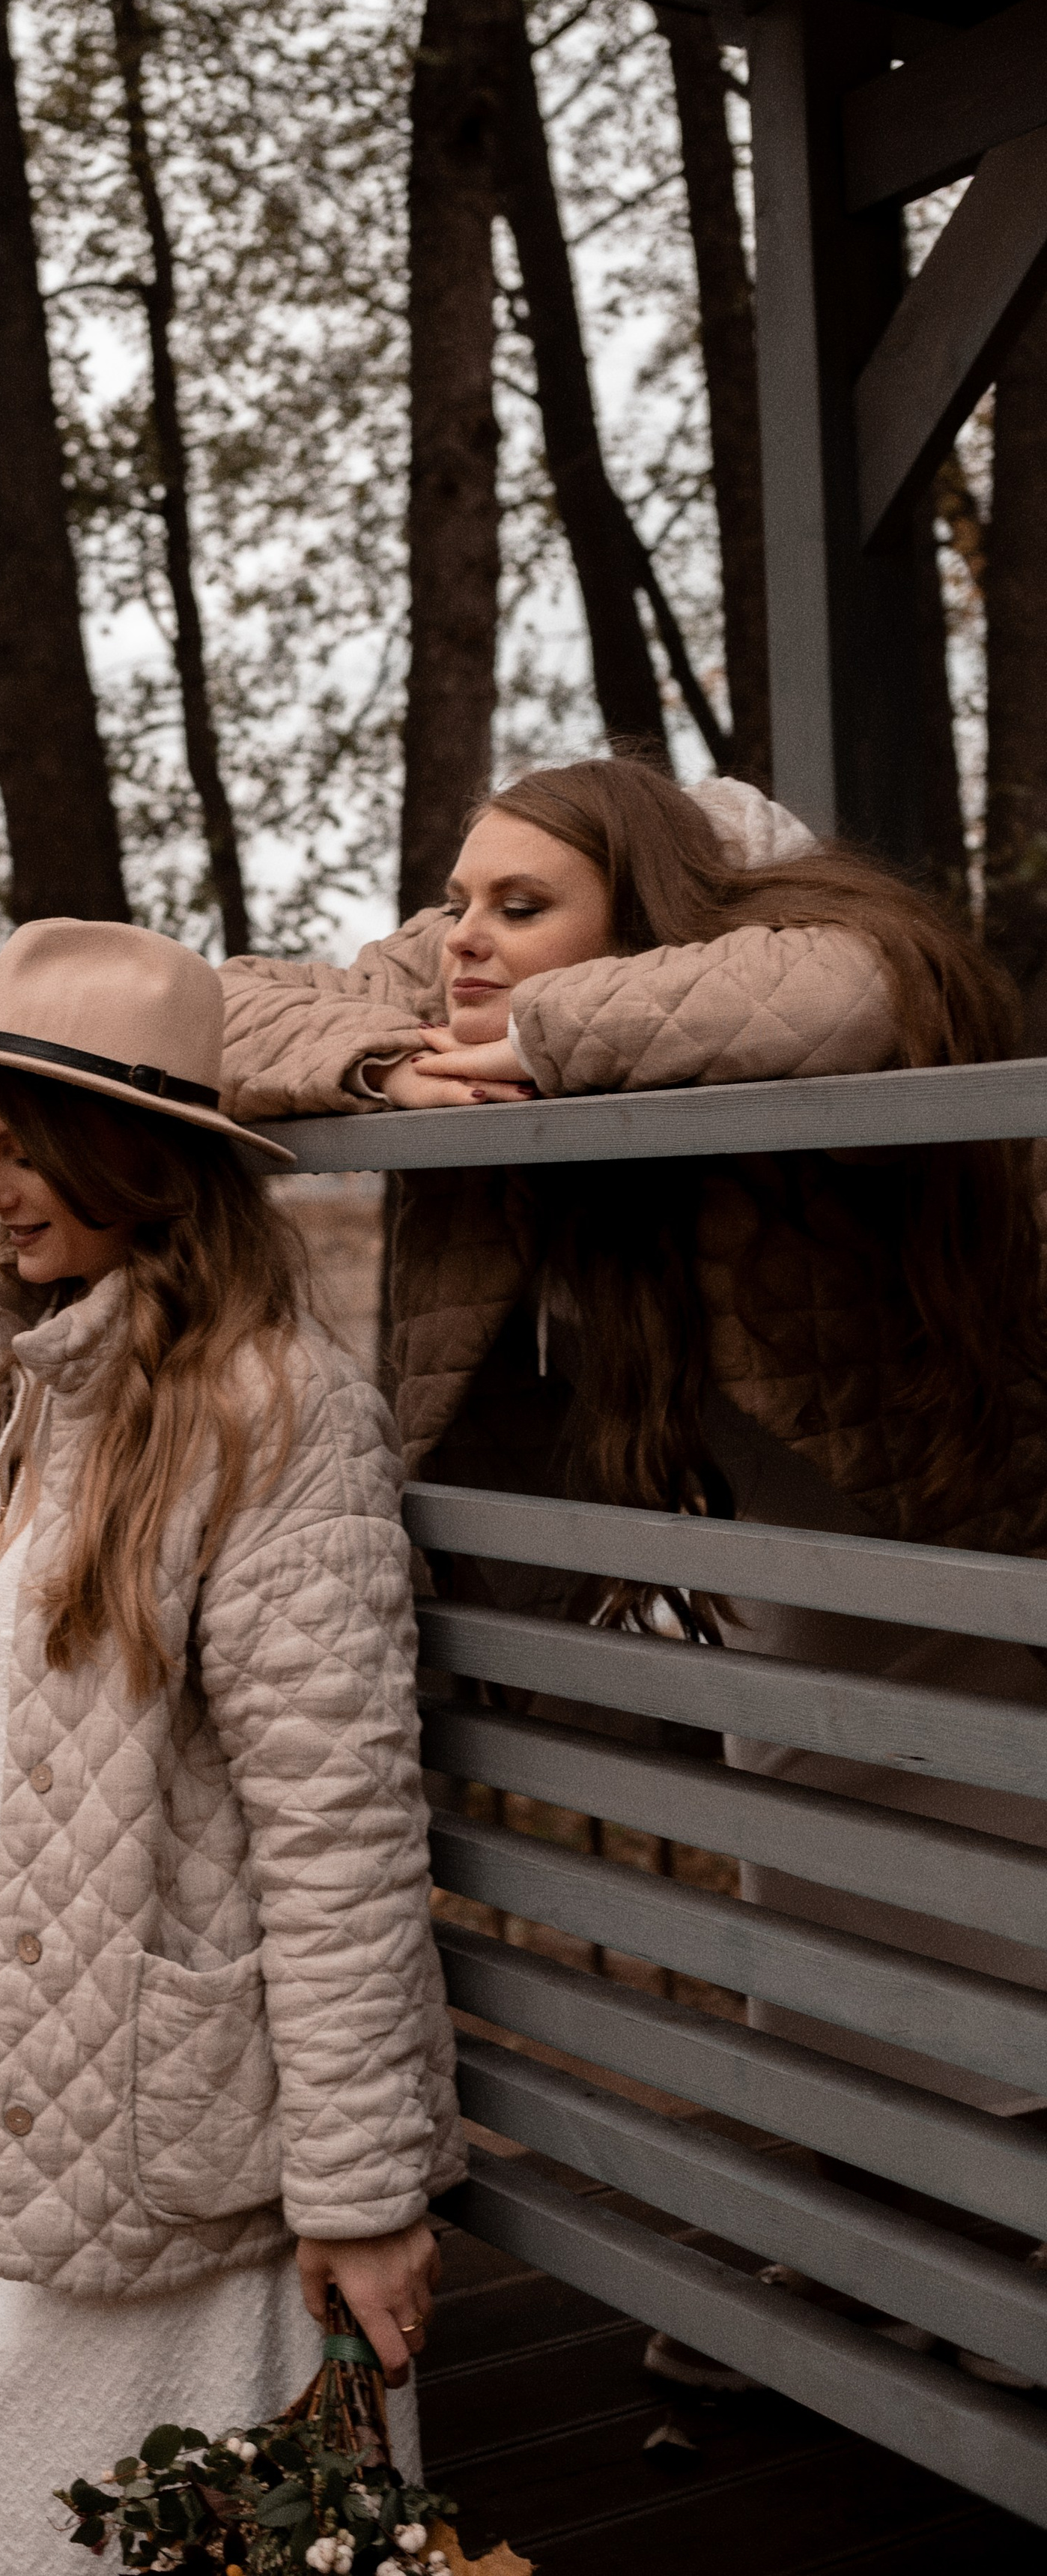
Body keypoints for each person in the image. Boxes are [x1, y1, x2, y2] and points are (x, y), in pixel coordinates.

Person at [221, 753, 1047, 2392]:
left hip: (924, 1510)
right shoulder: (462, 961)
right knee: (806, 1862)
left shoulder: (784, 925)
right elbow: (225, 1003)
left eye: (517, 907)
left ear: (642, 902)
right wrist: (388, 1055)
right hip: (767, 1543)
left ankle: (988, 2256)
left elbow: (850, 990)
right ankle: (858, 2248)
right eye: (460, 899)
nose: (464, 936)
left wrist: (533, 1039)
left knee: (975, 1866)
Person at [0, 918, 464, 2576]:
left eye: (21, 1152)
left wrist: (363, 2194)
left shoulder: (278, 1416)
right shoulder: (35, 1379)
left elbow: (339, 1832)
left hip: (190, 2134)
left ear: (134, 1155)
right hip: (19, 2068)